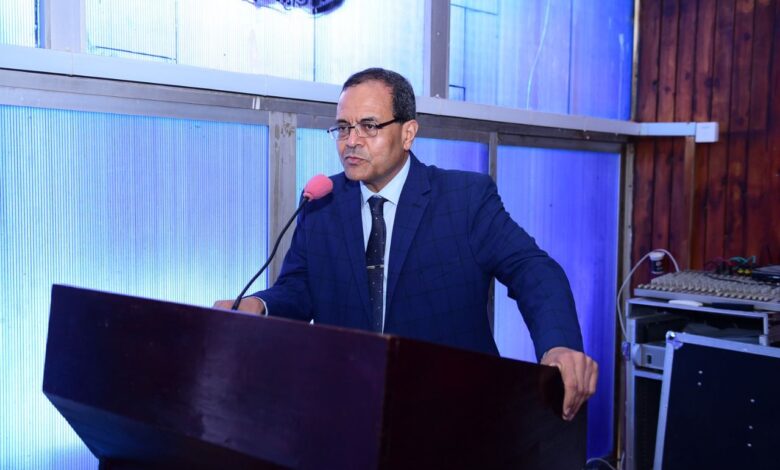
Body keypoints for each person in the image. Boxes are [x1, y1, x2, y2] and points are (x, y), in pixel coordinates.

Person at [215, 68, 597, 420]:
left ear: (408, 133)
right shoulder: (322, 203)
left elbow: (533, 269)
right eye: (343, 128)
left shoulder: (464, 199)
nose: (351, 141)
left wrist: (558, 345)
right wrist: (259, 305)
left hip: (452, 412)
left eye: (368, 126)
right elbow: (299, 289)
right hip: (351, 410)